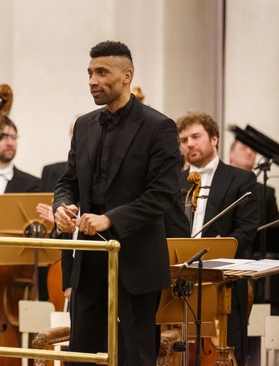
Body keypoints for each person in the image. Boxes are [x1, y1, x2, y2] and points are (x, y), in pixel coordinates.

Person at [54, 41, 183, 365]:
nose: (92, 81)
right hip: (90, 262)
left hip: (135, 262)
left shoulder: (159, 127)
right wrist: (63, 206)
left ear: (127, 76)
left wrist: (110, 219)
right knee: (82, 357)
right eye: (89, 73)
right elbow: (67, 181)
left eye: (101, 72)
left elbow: (162, 194)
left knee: (135, 357)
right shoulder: (84, 125)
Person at [177, 112, 259, 364]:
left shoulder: (241, 180)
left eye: (195, 136)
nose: (189, 143)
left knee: (227, 351)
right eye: (183, 140)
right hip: (179, 281)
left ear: (214, 139)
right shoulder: (173, 182)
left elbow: (246, 231)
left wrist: (221, 247)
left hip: (223, 281)